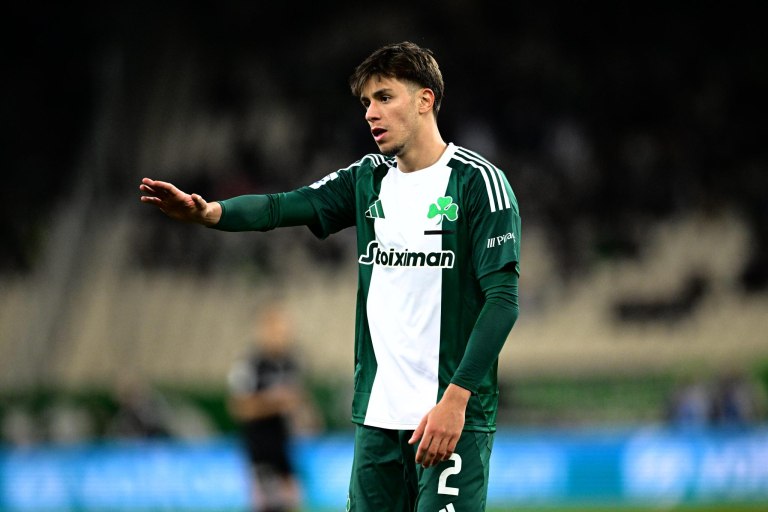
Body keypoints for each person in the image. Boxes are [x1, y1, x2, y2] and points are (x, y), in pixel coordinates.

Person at [140, 41, 521, 512]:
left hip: (449, 419)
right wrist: (211, 212)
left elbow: (503, 301)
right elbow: (285, 205)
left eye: (384, 97)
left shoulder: (478, 183)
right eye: (366, 102)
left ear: (425, 99)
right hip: (378, 421)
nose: (370, 113)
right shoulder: (366, 179)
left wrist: (456, 400)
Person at [227, 304, 309, 512]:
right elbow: (239, 407)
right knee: (270, 505)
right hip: (259, 450)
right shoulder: (250, 364)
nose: (282, 335)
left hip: (284, 447)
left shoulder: (290, 363)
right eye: (277, 329)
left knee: (292, 503)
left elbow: (297, 400)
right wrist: (274, 403)